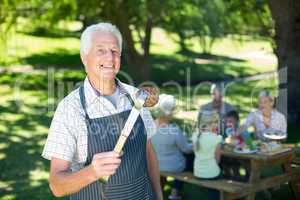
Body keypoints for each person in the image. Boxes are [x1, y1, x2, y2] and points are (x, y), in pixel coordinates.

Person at [42, 23, 163, 200]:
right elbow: (56, 186)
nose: (109, 57)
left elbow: (149, 152)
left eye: (115, 51)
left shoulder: (136, 97)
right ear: (84, 57)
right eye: (100, 50)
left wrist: (159, 196)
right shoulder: (70, 109)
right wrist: (92, 172)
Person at [152, 94, 193, 200]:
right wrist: (195, 144)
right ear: (168, 112)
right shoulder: (174, 129)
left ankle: (160, 189)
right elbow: (186, 149)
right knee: (190, 159)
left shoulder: (149, 126)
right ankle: (175, 193)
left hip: (156, 164)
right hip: (173, 166)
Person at [192, 111, 222, 200]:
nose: (217, 125)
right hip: (212, 173)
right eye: (216, 122)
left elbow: (195, 153)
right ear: (210, 123)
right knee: (221, 174)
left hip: (197, 172)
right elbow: (218, 160)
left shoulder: (195, 135)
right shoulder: (217, 138)